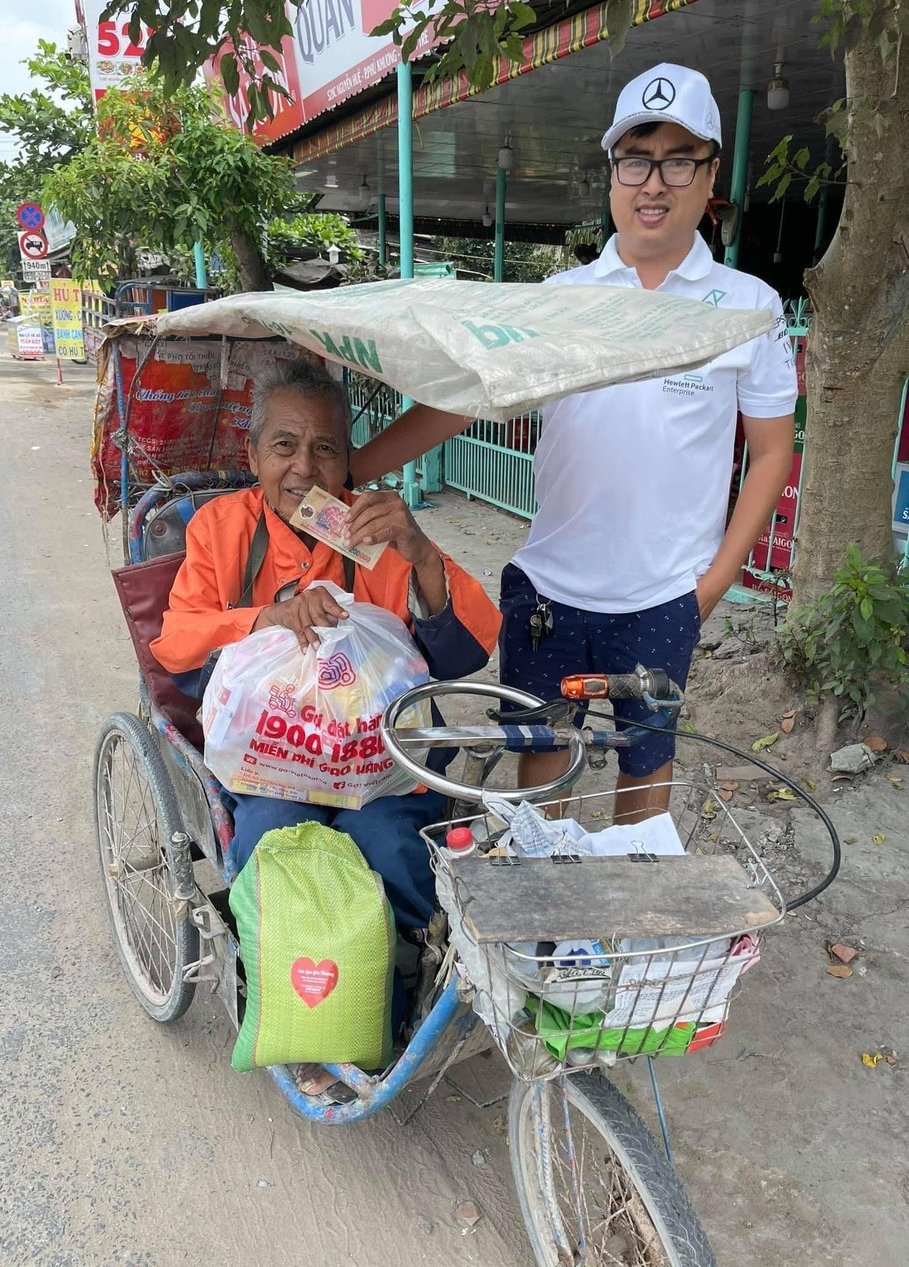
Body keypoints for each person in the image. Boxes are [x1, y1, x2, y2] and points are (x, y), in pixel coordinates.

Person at [350, 62, 797, 824]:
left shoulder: (745, 309)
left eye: (678, 160)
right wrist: (353, 466)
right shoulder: (562, 302)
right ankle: (546, 926)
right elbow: (465, 401)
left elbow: (772, 453)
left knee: (646, 766)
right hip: (551, 588)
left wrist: (711, 585)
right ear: (613, 172)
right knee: (543, 762)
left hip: (664, 595)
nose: (653, 183)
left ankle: (626, 923)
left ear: (711, 174)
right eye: (635, 160)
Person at [151, 357, 501, 933]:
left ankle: (399, 967)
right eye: (284, 445)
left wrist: (419, 553)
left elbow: (461, 653)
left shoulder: (373, 530)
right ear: (253, 454)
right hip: (271, 761)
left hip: (378, 758)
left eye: (326, 449)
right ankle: (283, 981)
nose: (304, 468)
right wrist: (269, 617)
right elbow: (179, 644)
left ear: (347, 458)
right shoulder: (219, 527)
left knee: (390, 847)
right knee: (275, 840)